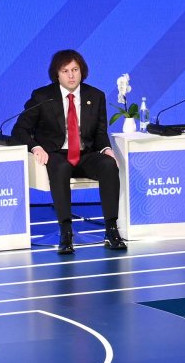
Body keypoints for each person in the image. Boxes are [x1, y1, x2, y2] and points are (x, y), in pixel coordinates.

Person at [11, 49, 127, 255]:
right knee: (61, 168)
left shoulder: (95, 96)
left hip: (85, 154)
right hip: (55, 154)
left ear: (82, 71)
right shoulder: (42, 97)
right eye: (65, 71)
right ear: (57, 74)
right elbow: (19, 130)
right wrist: (36, 147)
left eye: (75, 70)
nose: (71, 75)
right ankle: (66, 233)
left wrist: (107, 149)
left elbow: (100, 133)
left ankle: (111, 230)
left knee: (109, 165)